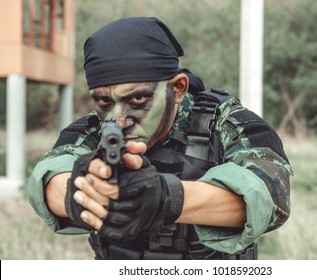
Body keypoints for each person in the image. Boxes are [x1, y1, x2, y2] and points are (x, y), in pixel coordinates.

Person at [27, 17, 292, 260]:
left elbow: (270, 195)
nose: (119, 118)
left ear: (177, 88)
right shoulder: (94, 129)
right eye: (104, 101)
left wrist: (165, 198)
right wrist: (83, 190)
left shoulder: (226, 123)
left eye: (138, 99)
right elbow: (49, 178)